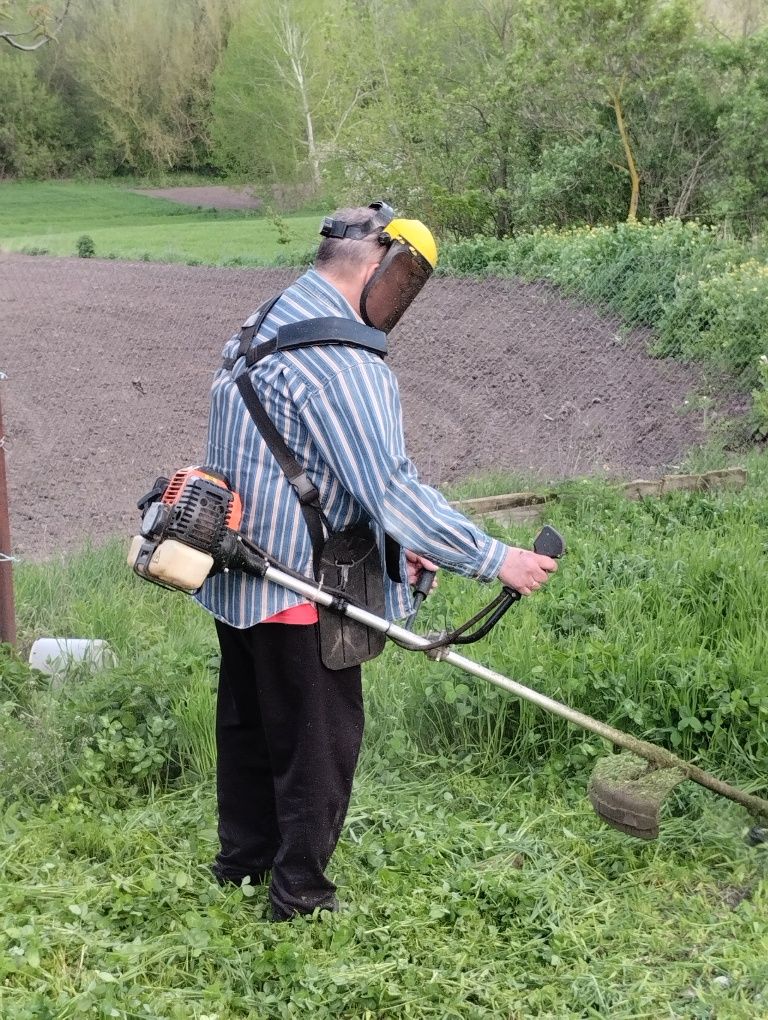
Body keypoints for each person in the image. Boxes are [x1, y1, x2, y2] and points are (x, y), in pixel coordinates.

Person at [196, 202, 557, 921]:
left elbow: (309, 458)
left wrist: (399, 539)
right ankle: (299, 895)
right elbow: (389, 487)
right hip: (298, 581)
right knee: (318, 744)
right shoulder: (341, 360)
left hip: (234, 570)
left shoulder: (266, 321)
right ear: (382, 266)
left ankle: (242, 863)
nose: (403, 300)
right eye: (407, 281)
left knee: (248, 726)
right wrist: (496, 558)